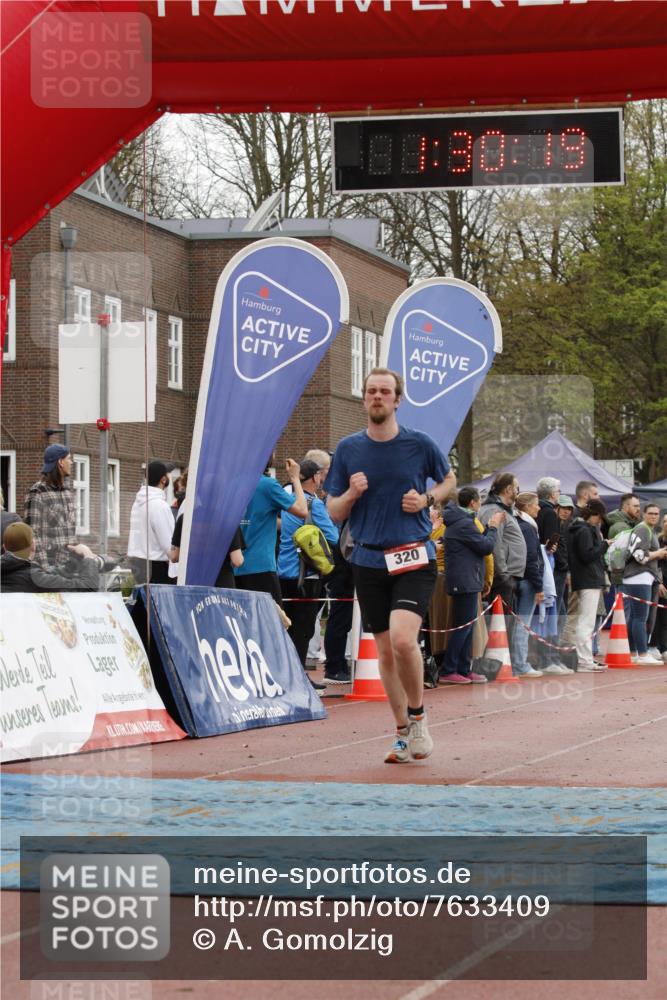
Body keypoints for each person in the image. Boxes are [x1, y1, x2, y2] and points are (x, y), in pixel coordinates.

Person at [326, 367, 456, 764]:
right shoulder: (348, 449)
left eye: (385, 391)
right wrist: (351, 492)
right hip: (367, 558)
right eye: (371, 391)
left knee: (403, 639)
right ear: (364, 400)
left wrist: (428, 500)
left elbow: (449, 481)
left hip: (413, 554)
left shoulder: (419, 444)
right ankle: (402, 731)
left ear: (398, 399)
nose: (378, 397)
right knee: (384, 652)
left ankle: (418, 717)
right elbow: (332, 511)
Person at [278, 459, 339, 689]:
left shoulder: (287, 501)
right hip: (307, 572)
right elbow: (332, 537)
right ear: (314, 477)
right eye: (320, 475)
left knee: (287, 625)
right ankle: (298, 677)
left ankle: (285, 674)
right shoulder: (314, 504)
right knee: (304, 628)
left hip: (282, 568)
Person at [439, 487, 502, 685]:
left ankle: (464, 669)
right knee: (463, 627)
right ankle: (449, 669)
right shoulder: (463, 524)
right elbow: (486, 547)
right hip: (464, 581)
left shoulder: (461, 522)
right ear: (473, 502)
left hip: (468, 579)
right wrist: (492, 527)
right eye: (479, 501)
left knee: (468, 626)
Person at [234, 458, 307, 604]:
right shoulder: (267, 485)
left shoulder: (232, 483)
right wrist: (295, 478)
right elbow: (302, 510)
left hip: (234, 569)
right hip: (261, 567)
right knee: (273, 623)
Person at [24, 444, 88, 572]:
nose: (71, 462)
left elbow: (70, 534)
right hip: (49, 568)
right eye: (69, 459)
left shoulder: (67, 492)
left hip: (69, 568)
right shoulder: (38, 492)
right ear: (60, 462)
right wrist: (46, 570)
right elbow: (32, 535)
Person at [562, 499, 609, 672]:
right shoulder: (584, 530)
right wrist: (604, 545)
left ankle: (586, 659)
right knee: (586, 622)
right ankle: (584, 660)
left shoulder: (580, 529)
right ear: (593, 515)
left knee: (585, 621)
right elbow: (587, 555)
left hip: (585, 578)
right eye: (599, 517)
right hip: (588, 579)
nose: (600, 521)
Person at [479, 473, 527, 627]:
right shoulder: (493, 510)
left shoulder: (503, 510)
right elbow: (495, 544)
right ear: (508, 489)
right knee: (499, 626)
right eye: (516, 488)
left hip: (507, 576)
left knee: (505, 626)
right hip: (502, 578)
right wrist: (504, 574)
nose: (518, 492)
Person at [621, 502, 666, 664]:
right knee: (640, 617)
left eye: (656, 514)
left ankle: (634, 653)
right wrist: (658, 553)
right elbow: (639, 556)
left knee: (635, 617)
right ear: (644, 514)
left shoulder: (647, 529)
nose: (654, 516)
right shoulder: (643, 529)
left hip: (638, 577)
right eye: (651, 513)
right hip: (639, 577)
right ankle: (643, 653)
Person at [1, 522, 99, 593]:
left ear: (4, 548)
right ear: (33, 546)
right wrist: (88, 556)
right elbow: (88, 587)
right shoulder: (35, 578)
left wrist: (68, 567)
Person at [511, 492, 545, 678]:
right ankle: (520, 665)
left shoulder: (518, 524)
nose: (539, 507)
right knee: (523, 624)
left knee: (519, 623)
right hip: (528, 581)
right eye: (536, 504)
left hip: (520, 578)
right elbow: (531, 559)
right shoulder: (528, 528)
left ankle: (519, 663)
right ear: (526, 507)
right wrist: (539, 586)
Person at [127, 460, 176, 585]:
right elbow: (170, 545)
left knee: (142, 602)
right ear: (163, 479)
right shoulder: (160, 506)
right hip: (156, 568)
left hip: (137, 564)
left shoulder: (138, 503)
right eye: (168, 474)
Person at [650, 512, 667, 663]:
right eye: (666, 521)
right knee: (661, 618)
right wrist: (659, 582)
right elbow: (655, 564)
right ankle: (661, 648)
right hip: (662, 584)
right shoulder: (658, 540)